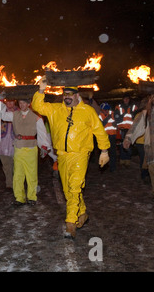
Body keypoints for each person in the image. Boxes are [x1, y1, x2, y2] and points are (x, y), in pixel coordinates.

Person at [31, 79, 110, 239]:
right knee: (68, 190)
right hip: (62, 155)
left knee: (75, 187)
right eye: (65, 94)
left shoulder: (87, 111)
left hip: (80, 155)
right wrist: (41, 90)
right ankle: (81, 214)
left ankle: (70, 223)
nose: (67, 97)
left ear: (77, 95)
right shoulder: (55, 110)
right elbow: (37, 106)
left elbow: (99, 131)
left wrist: (104, 150)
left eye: (70, 95)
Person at [0, 97, 54, 206]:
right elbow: (2, 115)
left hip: (30, 148)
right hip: (18, 148)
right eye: (20, 102)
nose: (22, 105)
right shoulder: (14, 115)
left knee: (31, 174)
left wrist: (44, 146)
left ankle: (32, 197)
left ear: (29, 104)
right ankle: (19, 198)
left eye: (24, 102)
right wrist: (1, 101)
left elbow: (42, 133)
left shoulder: (36, 118)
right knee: (18, 175)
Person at [123, 94, 154, 205]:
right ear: (152, 100)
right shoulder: (146, 114)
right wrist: (128, 139)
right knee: (153, 172)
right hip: (152, 149)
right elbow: (135, 127)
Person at [0, 99, 18, 189]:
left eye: (12, 101)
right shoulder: (0, 111)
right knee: (6, 164)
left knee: (16, 164)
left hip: (15, 142)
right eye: (8, 101)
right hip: (2, 142)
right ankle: (9, 183)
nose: (10, 103)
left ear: (15, 102)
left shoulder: (19, 111)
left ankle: (16, 181)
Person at [115, 94, 138, 168]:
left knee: (129, 144)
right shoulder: (118, 107)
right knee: (121, 144)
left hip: (130, 129)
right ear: (123, 99)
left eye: (127, 99)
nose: (126, 100)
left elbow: (136, 116)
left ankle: (127, 160)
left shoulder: (133, 107)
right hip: (122, 129)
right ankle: (122, 160)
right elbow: (116, 117)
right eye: (125, 99)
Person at [98, 102, 118, 172]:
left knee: (113, 153)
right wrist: (108, 118)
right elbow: (101, 125)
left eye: (107, 109)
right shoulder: (99, 116)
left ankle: (113, 168)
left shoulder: (113, 114)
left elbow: (117, 123)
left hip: (112, 136)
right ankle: (103, 167)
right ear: (102, 109)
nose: (106, 111)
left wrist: (115, 124)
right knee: (104, 152)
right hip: (104, 137)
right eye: (105, 109)